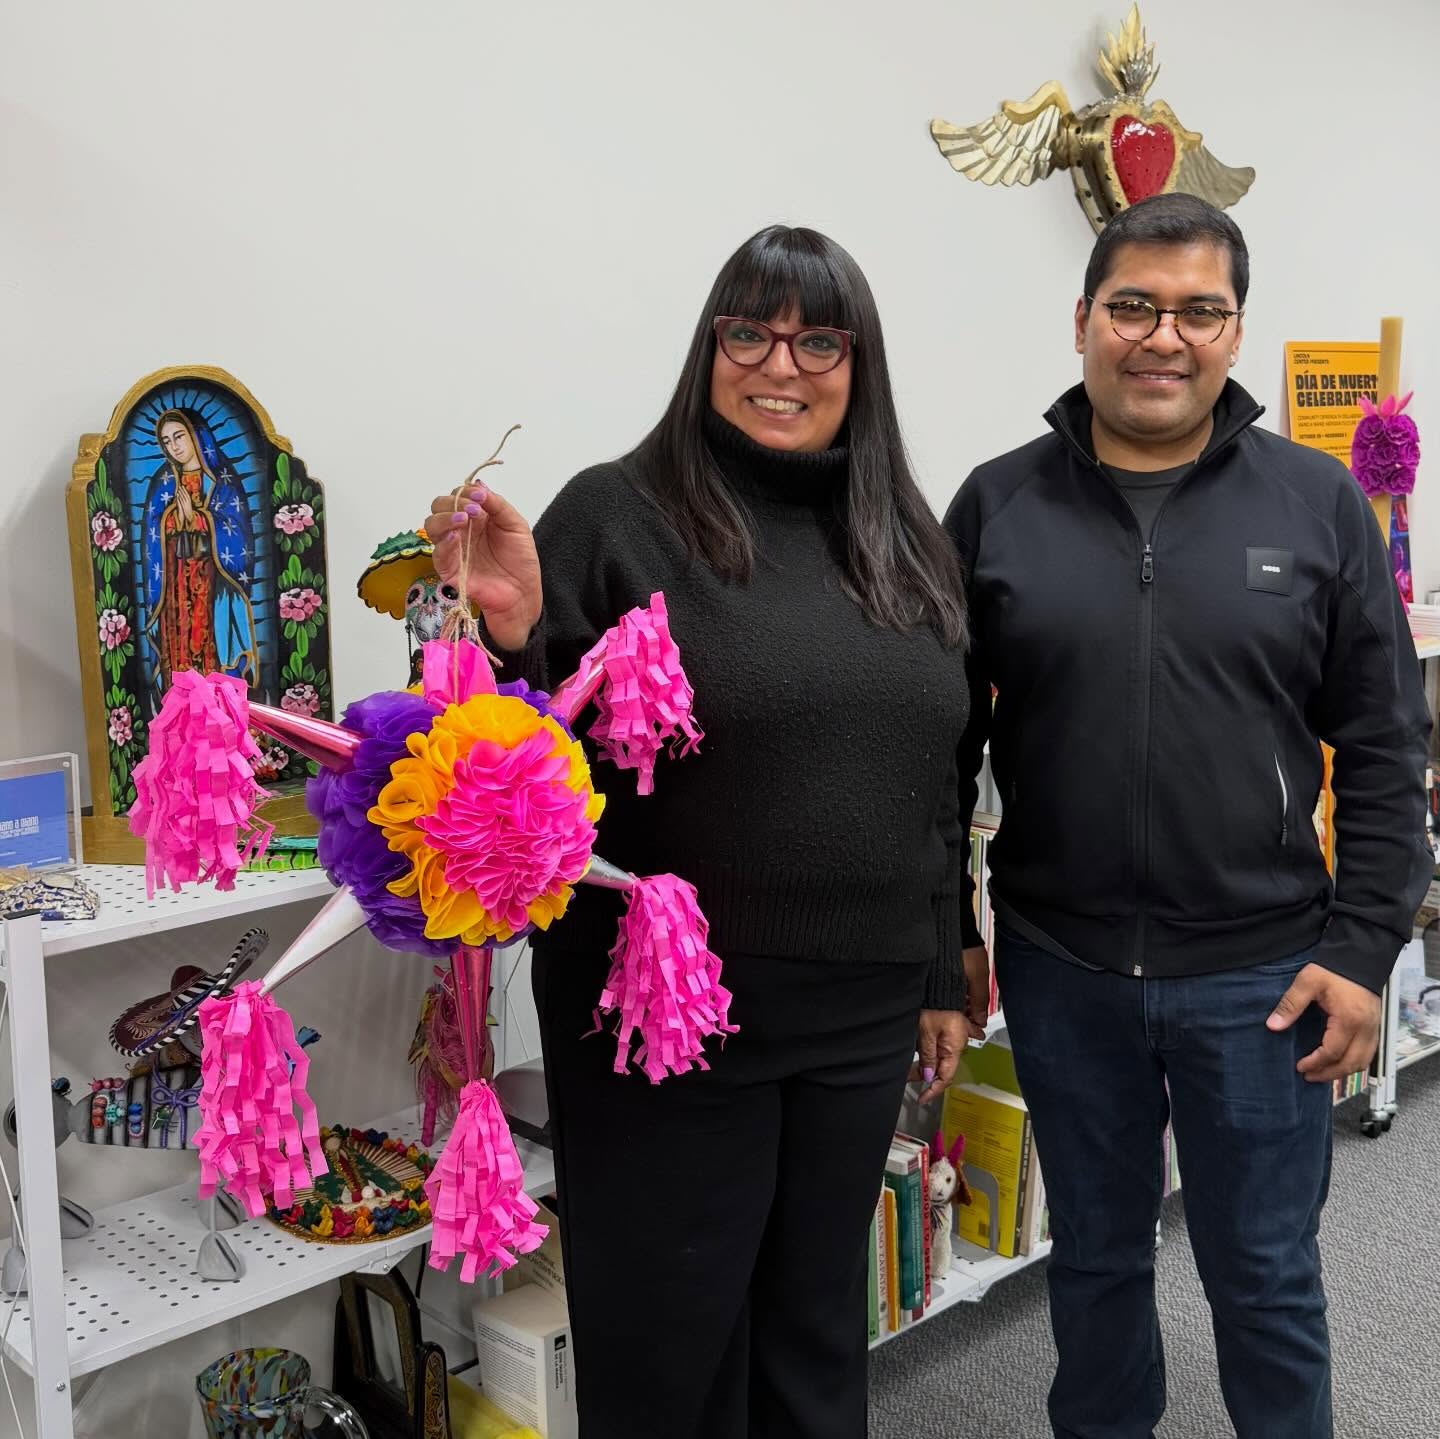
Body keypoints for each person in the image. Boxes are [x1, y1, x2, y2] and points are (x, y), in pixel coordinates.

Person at [422, 224, 983, 1438]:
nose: (779, 362)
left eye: (817, 337)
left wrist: (941, 963)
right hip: (665, 1014)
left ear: (858, 359)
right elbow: (516, 764)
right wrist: (513, 639)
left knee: (818, 1326)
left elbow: (938, 781)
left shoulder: (904, 535)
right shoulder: (614, 514)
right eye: (749, 330)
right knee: (672, 1341)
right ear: (708, 346)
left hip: (859, 1006)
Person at [946, 192, 1431, 1439]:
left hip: (1262, 974)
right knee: (1095, 1267)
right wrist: (947, 933)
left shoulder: (1316, 504)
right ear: (1082, 321)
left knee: (1265, 1279)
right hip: (1062, 968)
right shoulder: (995, 507)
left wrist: (1364, 945)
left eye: (1199, 311)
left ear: (1234, 330)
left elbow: (1383, 741)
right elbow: (936, 752)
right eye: (1135, 306)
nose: (1164, 337)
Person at [142, 408, 259, 693]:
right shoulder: (164, 482)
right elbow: (151, 534)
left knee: (211, 644)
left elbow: (237, 530)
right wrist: (173, 519)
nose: (174, 446)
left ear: (197, 436)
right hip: (176, 585)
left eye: (179, 436)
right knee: (180, 646)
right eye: (167, 441)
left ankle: (220, 706)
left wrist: (197, 519)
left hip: (213, 583)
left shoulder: (222, 481)